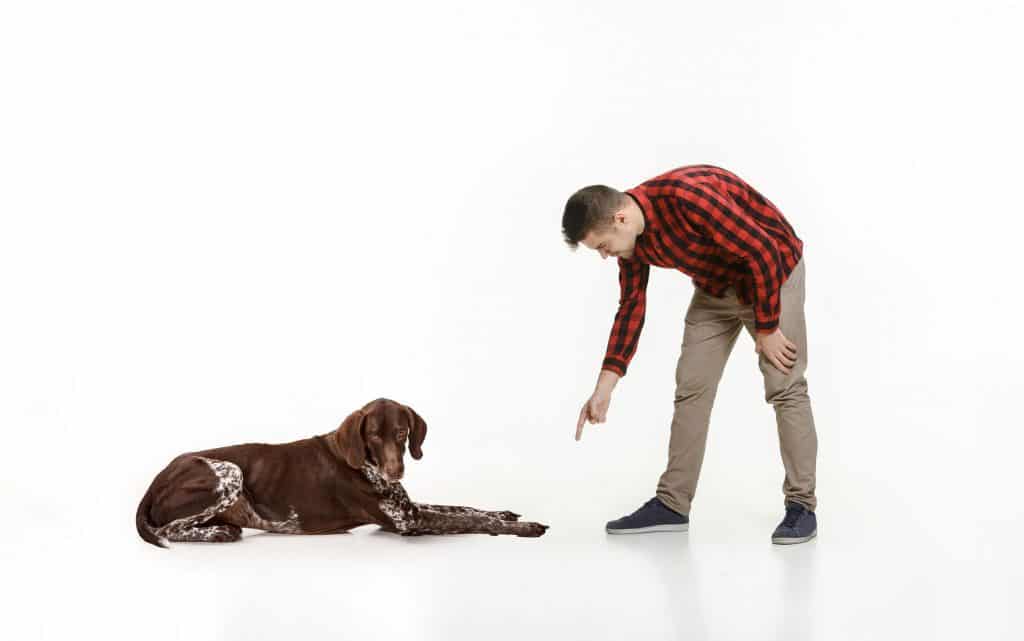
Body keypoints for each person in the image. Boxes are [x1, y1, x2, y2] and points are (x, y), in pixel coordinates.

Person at [561, 164, 818, 545]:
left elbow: (762, 251)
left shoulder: (689, 197)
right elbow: (631, 306)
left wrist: (766, 327)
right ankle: (672, 504)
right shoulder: (630, 242)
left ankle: (802, 506)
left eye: (602, 246)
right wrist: (604, 388)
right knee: (691, 389)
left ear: (620, 218)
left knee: (785, 386)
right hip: (716, 288)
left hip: (773, 273)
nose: (604, 256)